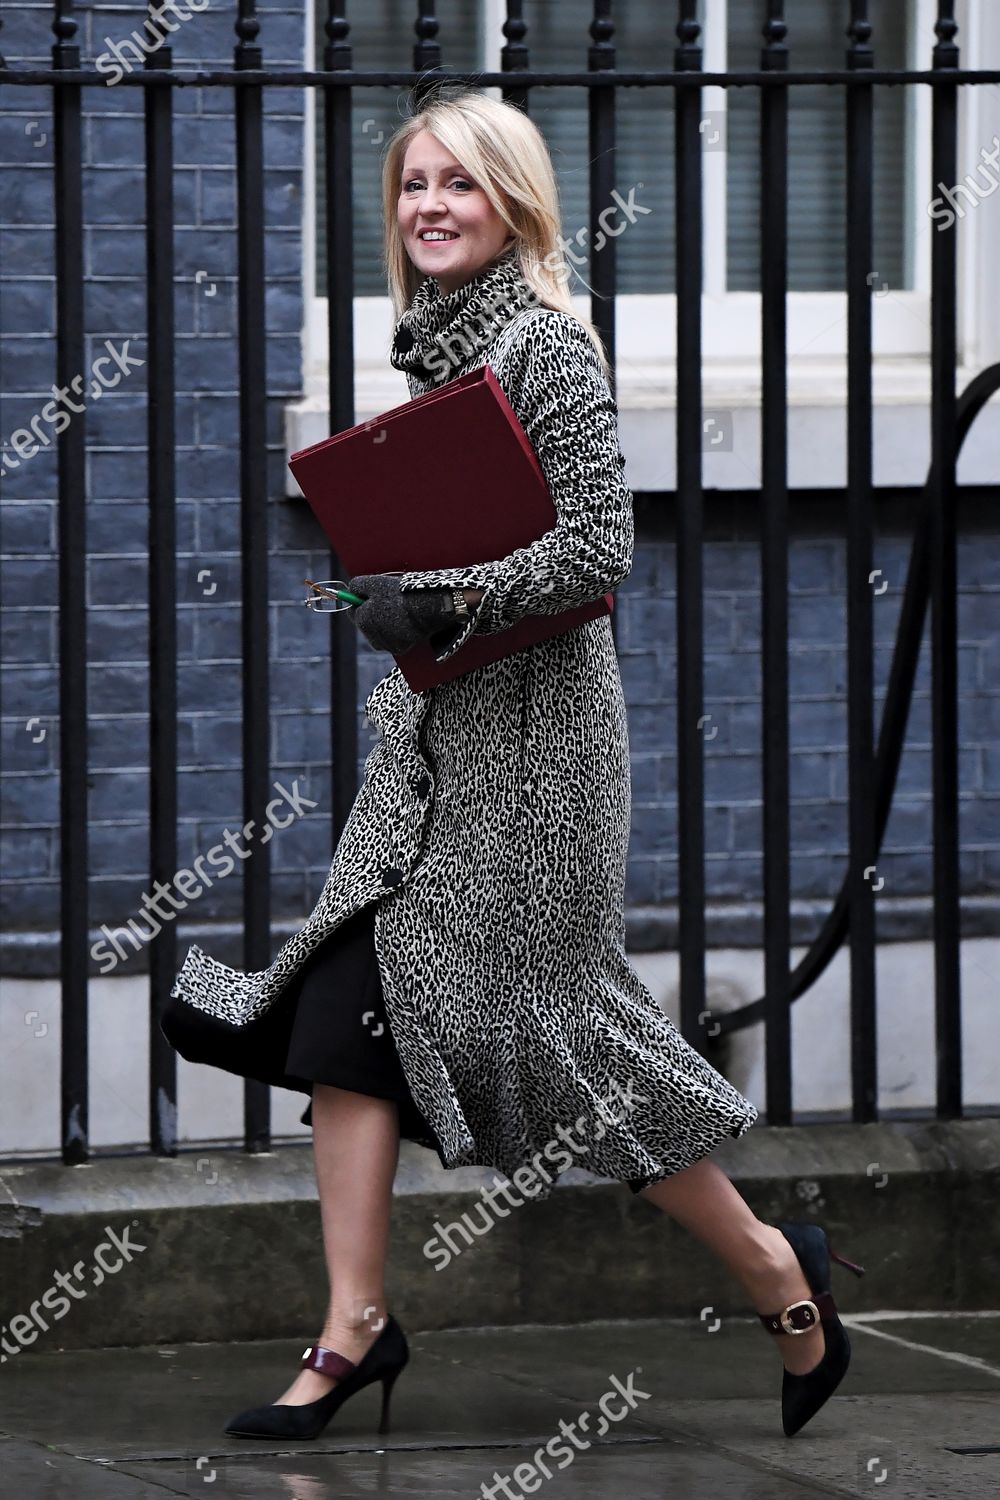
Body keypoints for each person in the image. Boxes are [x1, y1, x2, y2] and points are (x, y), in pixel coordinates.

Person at [167, 84, 864, 1446]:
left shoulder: (549, 350)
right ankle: (353, 1327)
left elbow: (602, 549)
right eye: (413, 184)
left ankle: (781, 1271)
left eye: (459, 184)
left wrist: (437, 589)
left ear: (514, 205)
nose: (429, 204)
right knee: (343, 1021)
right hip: (436, 754)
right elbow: (437, 560)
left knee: (558, 1041)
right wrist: (357, 596)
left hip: (541, 765)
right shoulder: (431, 358)